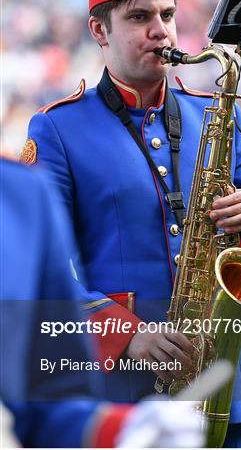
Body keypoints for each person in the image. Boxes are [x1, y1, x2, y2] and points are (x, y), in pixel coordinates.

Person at [20, 0, 241, 447]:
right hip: (121, 396)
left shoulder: (219, 115)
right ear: (99, 30)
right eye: (139, 17)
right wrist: (126, 334)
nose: (161, 31)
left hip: (225, 389)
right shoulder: (57, 129)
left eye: (167, 14)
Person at [1, 156, 203, 448]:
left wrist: (117, 429)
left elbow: (49, 401)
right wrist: (124, 330)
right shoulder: (51, 136)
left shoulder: (22, 193)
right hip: (124, 372)